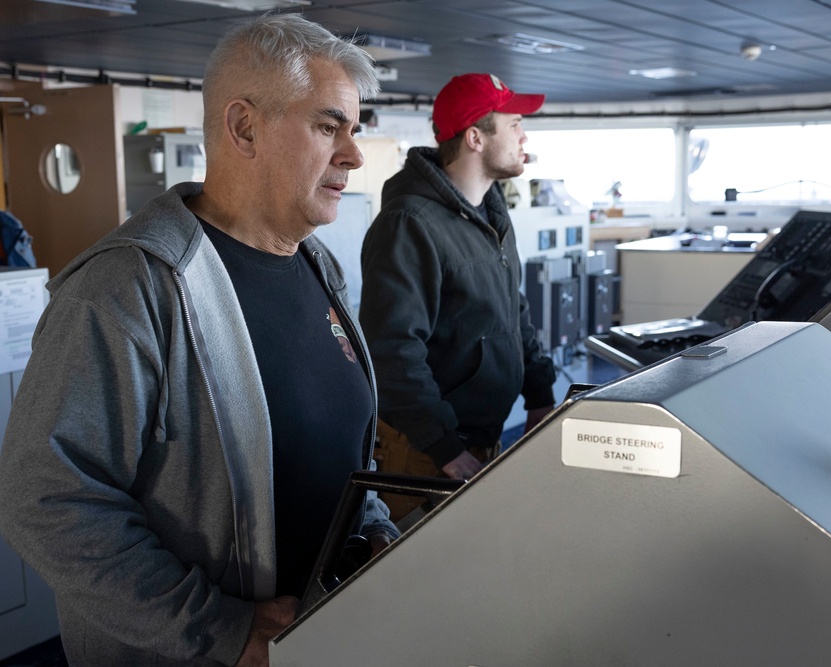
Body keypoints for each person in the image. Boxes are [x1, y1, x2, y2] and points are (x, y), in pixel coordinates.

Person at [0, 14, 398, 667]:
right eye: (329, 127)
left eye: (354, 130)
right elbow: (45, 497)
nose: (353, 153)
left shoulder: (317, 265)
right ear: (245, 127)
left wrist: (373, 525)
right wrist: (219, 626)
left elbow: (338, 442)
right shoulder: (125, 290)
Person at [358, 73, 557, 520]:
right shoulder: (410, 223)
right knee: (413, 581)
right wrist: (443, 445)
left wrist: (540, 392)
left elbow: (513, 312)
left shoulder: (491, 216)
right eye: (514, 125)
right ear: (475, 138)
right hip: (425, 452)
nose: (525, 136)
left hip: (478, 438)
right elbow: (392, 349)